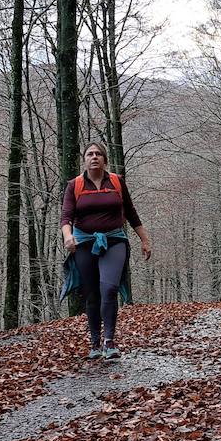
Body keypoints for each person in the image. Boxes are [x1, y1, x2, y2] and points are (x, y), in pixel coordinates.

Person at [60, 143, 152, 359]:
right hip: (84, 243)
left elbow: (130, 212)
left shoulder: (117, 182)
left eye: (98, 154)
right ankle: (95, 343)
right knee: (92, 294)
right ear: (84, 159)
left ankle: (109, 341)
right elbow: (66, 217)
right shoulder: (75, 185)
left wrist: (145, 239)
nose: (94, 157)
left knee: (109, 288)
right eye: (90, 154)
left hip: (114, 240)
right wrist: (68, 236)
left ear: (105, 159)